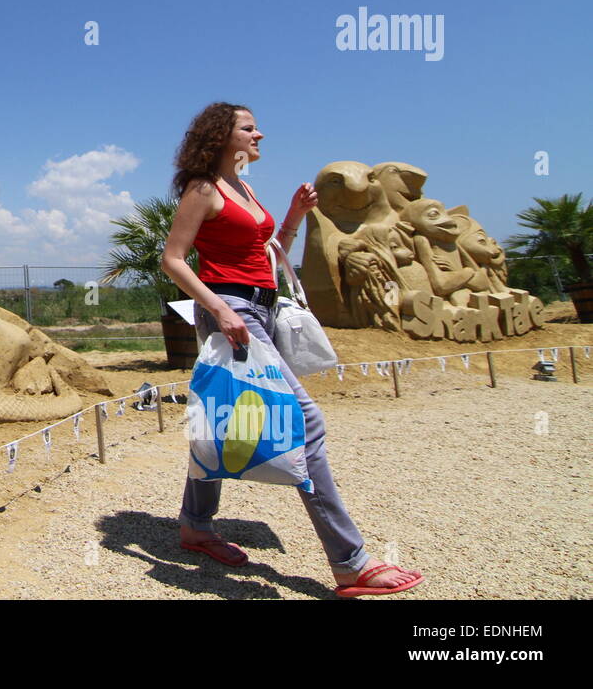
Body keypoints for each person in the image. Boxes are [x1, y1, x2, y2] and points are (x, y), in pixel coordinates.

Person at [159, 102, 424, 597]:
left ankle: (195, 525)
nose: (260, 134)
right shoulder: (202, 188)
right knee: (305, 421)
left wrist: (295, 218)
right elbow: (173, 259)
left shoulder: (244, 188)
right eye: (248, 127)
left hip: (261, 307)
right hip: (233, 312)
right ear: (221, 138)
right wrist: (220, 310)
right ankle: (351, 563)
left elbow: (265, 253)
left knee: (226, 417)